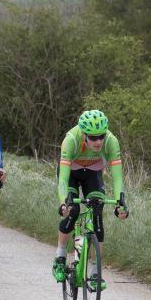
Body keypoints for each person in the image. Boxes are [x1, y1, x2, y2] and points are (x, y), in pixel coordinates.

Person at [52, 110, 129, 290]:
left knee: (96, 214)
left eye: (101, 136)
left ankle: (95, 273)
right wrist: (63, 202)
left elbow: (118, 178)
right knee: (74, 210)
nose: (98, 142)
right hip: (71, 173)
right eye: (93, 138)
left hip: (93, 174)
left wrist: (120, 202)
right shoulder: (71, 140)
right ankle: (60, 255)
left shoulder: (111, 142)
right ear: (84, 135)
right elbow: (63, 179)